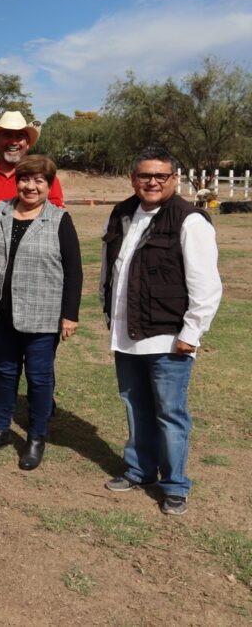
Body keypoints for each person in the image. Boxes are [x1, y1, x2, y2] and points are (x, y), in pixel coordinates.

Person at [101, 146, 222, 516]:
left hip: (169, 336)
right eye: (144, 175)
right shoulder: (122, 213)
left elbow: (207, 286)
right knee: (135, 406)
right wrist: (109, 315)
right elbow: (112, 271)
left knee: (170, 413)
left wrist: (191, 333)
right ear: (132, 177)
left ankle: (175, 485)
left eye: (160, 176)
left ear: (174, 179)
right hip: (126, 334)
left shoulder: (190, 220)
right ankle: (140, 470)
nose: (151, 182)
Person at [0, 155, 81, 470]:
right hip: (0, 312)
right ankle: (0, 429)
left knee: (38, 378)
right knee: (3, 374)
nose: (30, 187)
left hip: (42, 315)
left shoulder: (59, 219)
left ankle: (35, 437)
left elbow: (74, 271)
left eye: (38, 181)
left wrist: (69, 314)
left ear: (49, 185)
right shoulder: (0, 210)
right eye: (24, 179)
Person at [0, 111, 65, 429]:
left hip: (38, 279)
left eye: (20, 135)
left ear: (27, 141)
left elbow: (57, 223)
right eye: (7, 135)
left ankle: (42, 404)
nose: (14, 141)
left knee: (40, 350)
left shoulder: (46, 179)